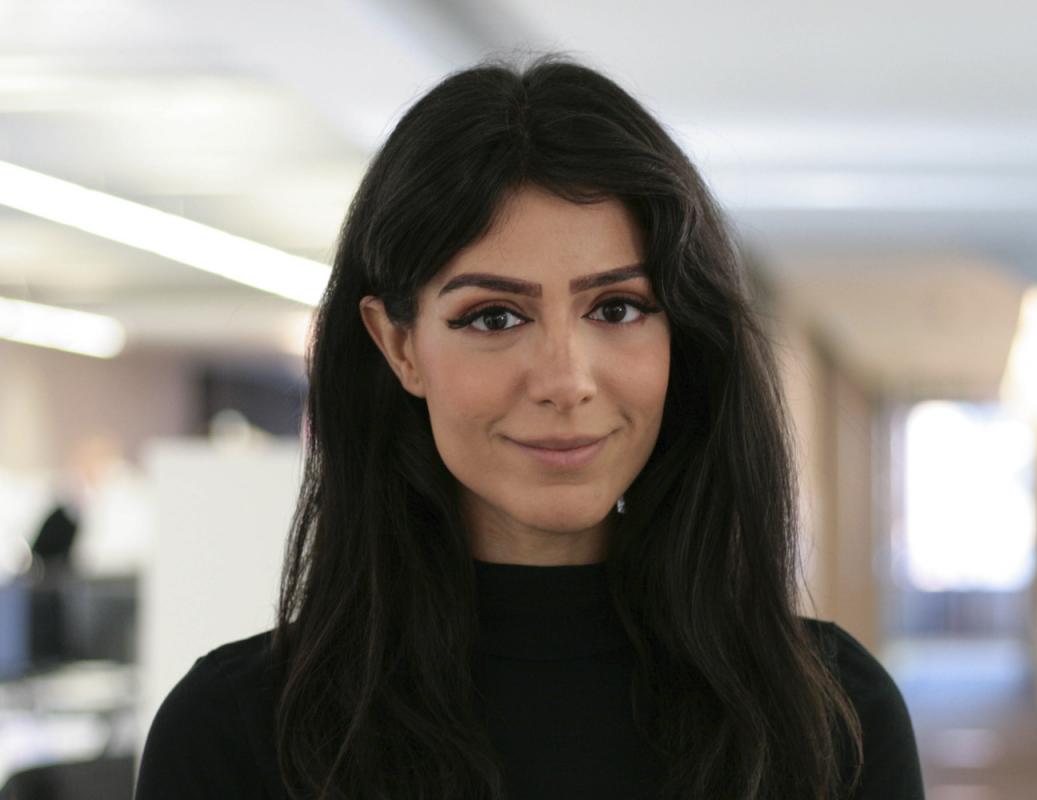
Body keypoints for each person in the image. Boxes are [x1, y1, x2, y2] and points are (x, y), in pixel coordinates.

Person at [133, 52, 925, 800]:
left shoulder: (830, 715)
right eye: (494, 317)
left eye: (617, 308)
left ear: (682, 334)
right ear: (399, 345)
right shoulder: (233, 736)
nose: (565, 382)